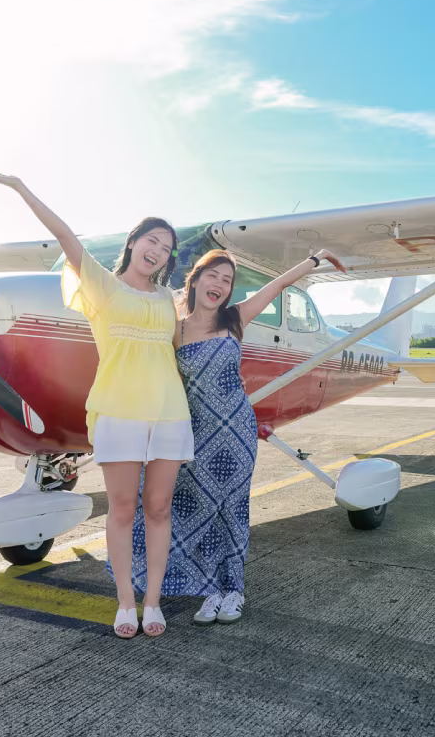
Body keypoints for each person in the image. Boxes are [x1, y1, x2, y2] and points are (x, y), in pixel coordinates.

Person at [0, 172, 193, 639]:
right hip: (118, 410)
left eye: (166, 248)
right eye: (152, 240)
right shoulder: (102, 285)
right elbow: (65, 236)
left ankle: (153, 601)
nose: (158, 251)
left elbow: (181, 349)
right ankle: (126, 602)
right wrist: (21, 188)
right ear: (133, 242)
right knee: (122, 509)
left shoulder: (167, 299)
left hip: (169, 412)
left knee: (158, 509)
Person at [143, 247, 346, 625]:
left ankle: (234, 590)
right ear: (195, 279)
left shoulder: (235, 318)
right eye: (213, 275)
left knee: (233, 509)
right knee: (201, 510)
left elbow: (278, 285)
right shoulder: (175, 329)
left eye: (227, 280)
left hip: (236, 431)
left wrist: (314, 260)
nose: (219, 284)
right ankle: (210, 590)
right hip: (197, 433)